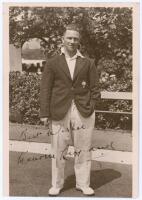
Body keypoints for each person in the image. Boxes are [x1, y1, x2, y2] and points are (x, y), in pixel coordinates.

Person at [40, 24, 101, 196]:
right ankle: (57, 184)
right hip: (59, 110)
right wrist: (44, 113)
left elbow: (95, 88)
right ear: (63, 39)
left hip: (83, 111)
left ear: (79, 41)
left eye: (75, 39)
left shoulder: (88, 62)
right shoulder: (52, 63)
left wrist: (91, 105)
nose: (72, 41)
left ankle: (83, 184)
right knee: (58, 150)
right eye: (69, 38)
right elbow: (45, 89)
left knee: (83, 148)